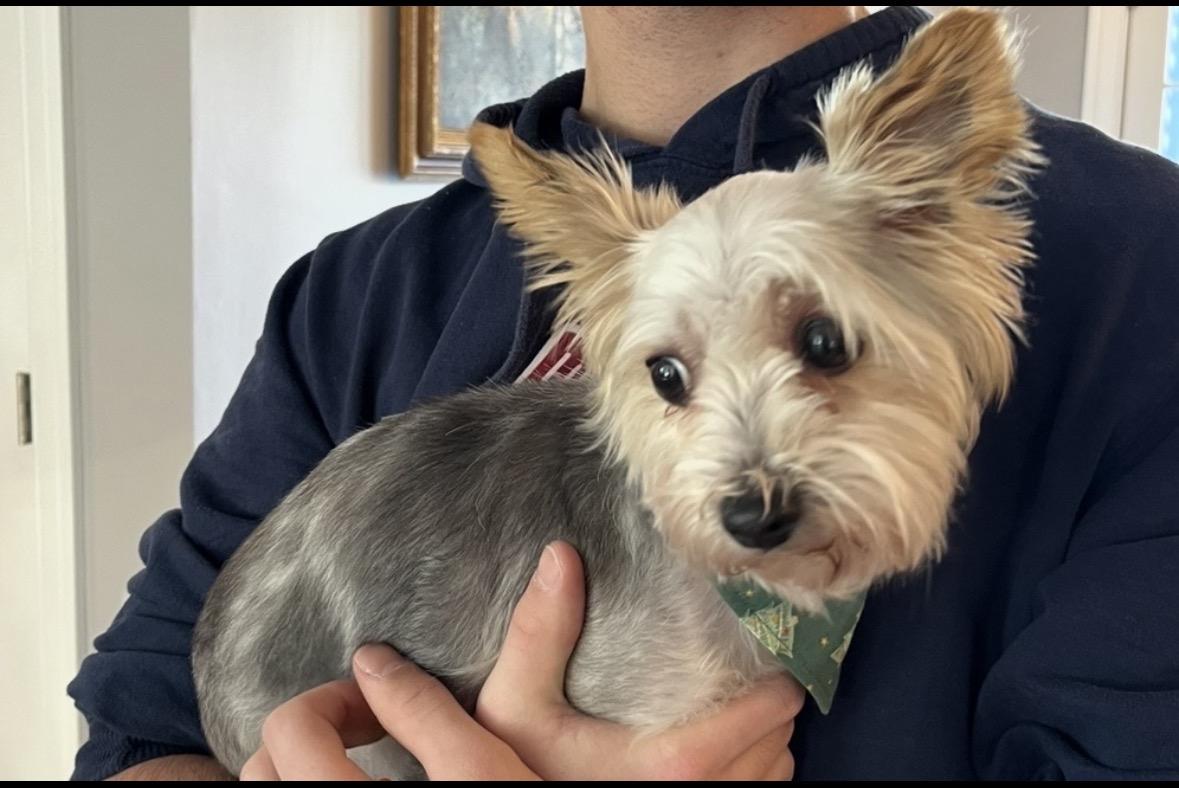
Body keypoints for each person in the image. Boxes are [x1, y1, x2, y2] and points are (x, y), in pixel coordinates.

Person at [69, 6, 1179, 780]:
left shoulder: (1144, 266)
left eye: (828, 342)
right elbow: (142, 726)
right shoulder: (345, 295)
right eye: (668, 375)